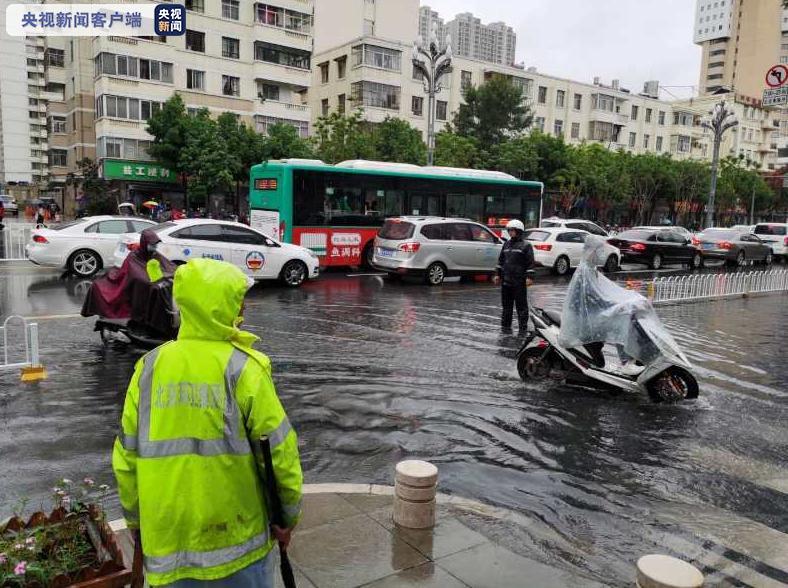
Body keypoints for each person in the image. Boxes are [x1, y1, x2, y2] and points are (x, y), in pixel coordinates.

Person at [113, 258, 303, 587]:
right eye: (239, 301)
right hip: (236, 548)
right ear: (224, 306)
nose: (243, 309)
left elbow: (126, 458)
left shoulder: (149, 368)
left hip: (166, 540)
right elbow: (278, 456)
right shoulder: (245, 369)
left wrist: (134, 520)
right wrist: (286, 518)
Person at [558, 235, 653, 375]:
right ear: (591, 251)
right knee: (621, 322)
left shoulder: (591, 269)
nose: (601, 254)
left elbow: (605, 292)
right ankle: (626, 362)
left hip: (591, 314)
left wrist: (627, 299)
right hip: (584, 319)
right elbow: (595, 298)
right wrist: (619, 305)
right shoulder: (584, 272)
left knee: (625, 315)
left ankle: (635, 357)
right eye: (599, 251)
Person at [495, 219, 535, 334]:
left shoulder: (526, 245)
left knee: (521, 307)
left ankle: (523, 328)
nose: (510, 232)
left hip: (519, 282)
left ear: (519, 231)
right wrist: (497, 274)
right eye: (509, 230)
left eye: (512, 230)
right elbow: (501, 261)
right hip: (506, 282)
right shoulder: (506, 244)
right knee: (506, 307)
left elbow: (530, 263)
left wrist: (530, 277)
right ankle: (505, 328)